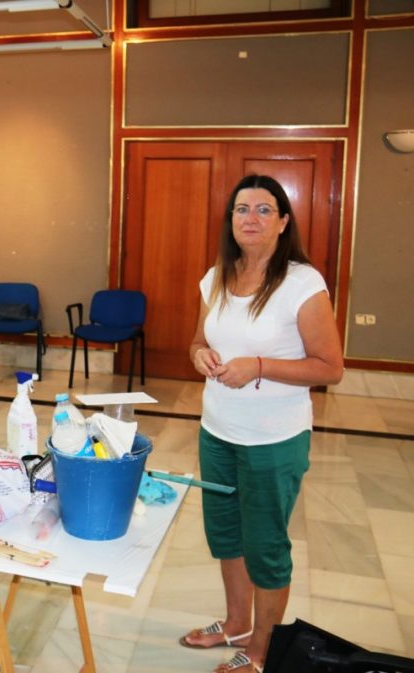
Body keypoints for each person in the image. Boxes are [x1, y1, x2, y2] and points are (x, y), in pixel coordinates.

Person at [183, 175, 343, 673]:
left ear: (283, 222)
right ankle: (236, 623)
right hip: (217, 432)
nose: (249, 218)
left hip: (274, 439)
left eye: (263, 210)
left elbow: (330, 367)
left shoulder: (301, 283)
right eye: (240, 209)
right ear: (230, 220)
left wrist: (259, 366)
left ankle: (260, 650)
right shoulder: (216, 276)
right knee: (226, 536)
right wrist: (202, 356)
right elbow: (195, 343)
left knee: (265, 544)